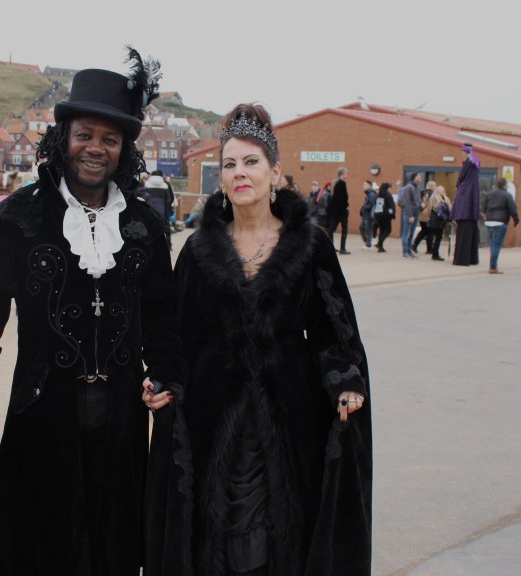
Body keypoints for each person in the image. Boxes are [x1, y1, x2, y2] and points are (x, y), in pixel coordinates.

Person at [0, 51, 183, 576]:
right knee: (42, 544)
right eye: (85, 135)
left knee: (111, 545)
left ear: (124, 149)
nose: (95, 149)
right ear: (64, 138)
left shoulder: (144, 225)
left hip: (122, 416)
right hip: (42, 412)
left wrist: (165, 373)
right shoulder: (20, 217)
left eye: (110, 139)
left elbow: (163, 313)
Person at [145, 103, 371, 576]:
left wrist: (344, 380)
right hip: (213, 415)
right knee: (216, 538)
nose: (239, 173)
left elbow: (335, 329)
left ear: (275, 172)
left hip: (287, 414)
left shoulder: (309, 245)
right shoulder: (198, 249)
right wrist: (163, 378)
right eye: (229, 164)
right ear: (220, 178)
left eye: (251, 162)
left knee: (276, 536)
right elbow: (177, 333)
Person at [481, 177, 519, 274]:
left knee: (492, 244)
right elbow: (513, 209)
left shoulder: (489, 194)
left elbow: (484, 206)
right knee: (496, 245)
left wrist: (485, 215)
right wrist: (516, 220)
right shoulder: (507, 195)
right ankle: (493, 267)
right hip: (500, 222)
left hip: (489, 222)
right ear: (505, 185)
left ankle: (492, 265)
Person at [451, 144, 480, 266]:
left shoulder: (468, 165)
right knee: (471, 233)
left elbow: (461, 177)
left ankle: (462, 259)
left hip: (465, 211)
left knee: (464, 234)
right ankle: (472, 258)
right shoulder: (474, 167)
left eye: (462, 152)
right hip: (471, 211)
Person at [140, 171, 174, 247]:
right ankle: (167, 244)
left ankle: (150, 244)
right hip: (163, 209)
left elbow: (144, 197)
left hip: (150, 208)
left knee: (149, 227)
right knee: (165, 227)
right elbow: (169, 199)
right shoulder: (165, 185)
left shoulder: (147, 184)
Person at [326, 167, 351, 254]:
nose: (347, 175)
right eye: (346, 173)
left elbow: (335, 198)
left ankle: (330, 247)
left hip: (335, 211)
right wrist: (346, 206)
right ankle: (342, 248)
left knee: (331, 229)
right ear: (342, 174)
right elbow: (343, 198)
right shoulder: (342, 183)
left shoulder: (336, 183)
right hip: (342, 211)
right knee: (344, 229)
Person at [399, 173, 422, 258]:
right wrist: (410, 215)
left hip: (415, 213)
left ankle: (409, 251)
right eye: (419, 176)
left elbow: (416, 201)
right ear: (414, 177)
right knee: (406, 234)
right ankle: (405, 252)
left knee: (411, 234)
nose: (421, 178)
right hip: (410, 214)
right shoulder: (409, 187)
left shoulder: (417, 188)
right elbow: (407, 202)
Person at [427, 185, 452, 261]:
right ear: (438, 191)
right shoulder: (436, 199)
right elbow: (439, 212)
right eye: (442, 190)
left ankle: (435, 253)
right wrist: (447, 219)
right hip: (436, 222)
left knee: (438, 237)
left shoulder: (444, 199)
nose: (443, 191)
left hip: (440, 222)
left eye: (444, 190)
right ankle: (435, 254)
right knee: (438, 237)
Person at [412, 181, 436, 254]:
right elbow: (430, 205)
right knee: (428, 232)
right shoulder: (430, 194)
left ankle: (417, 245)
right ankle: (427, 248)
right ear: (431, 186)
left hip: (421, 215)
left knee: (425, 231)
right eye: (435, 186)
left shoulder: (421, 192)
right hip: (427, 215)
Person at [373, 181, 396, 252]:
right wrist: (393, 214)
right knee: (388, 230)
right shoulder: (388, 195)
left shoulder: (378, 194)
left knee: (382, 230)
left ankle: (380, 247)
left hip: (378, 214)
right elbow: (392, 206)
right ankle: (379, 244)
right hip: (385, 215)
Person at [359, 180, 377, 250]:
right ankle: (367, 242)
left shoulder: (371, 194)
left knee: (368, 229)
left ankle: (368, 244)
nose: (363, 186)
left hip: (369, 215)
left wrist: (365, 208)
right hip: (365, 214)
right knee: (362, 228)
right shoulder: (368, 194)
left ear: (369, 185)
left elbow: (371, 204)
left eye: (365, 185)